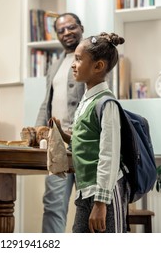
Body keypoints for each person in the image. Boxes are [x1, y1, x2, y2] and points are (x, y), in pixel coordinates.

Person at [55, 32, 128, 233]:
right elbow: (86, 143)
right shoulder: (86, 102)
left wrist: (101, 203)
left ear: (98, 66)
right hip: (85, 192)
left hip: (105, 195)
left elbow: (109, 155)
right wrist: (62, 134)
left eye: (78, 59)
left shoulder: (106, 103)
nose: (73, 64)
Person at [36, 13, 85, 233]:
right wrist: (39, 130)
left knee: (89, 208)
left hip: (86, 145)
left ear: (81, 28)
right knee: (53, 206)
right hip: (57, 147)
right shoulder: (54, 66)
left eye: (71, 27)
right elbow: (46, 102)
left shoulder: (92, 59)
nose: (67, 33)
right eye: (61, 30)